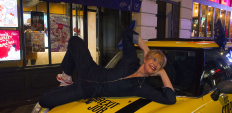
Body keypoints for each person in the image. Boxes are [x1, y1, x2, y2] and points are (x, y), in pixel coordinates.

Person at [39, 28, 176, 108]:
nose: (155, 64)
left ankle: (65, 86)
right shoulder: (131, 60)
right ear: (146, 58)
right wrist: (145, 48)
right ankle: (67, 77)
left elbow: (170, 99)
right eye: (154, 59)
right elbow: (127, 33)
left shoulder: (143, 88)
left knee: (45, 101)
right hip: (91, 70)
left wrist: (163, 73)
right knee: (75, 41)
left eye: (159, 64)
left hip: (85, 90)